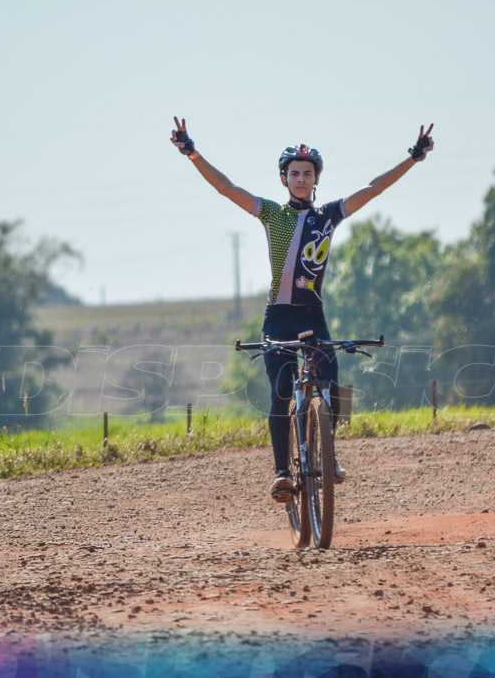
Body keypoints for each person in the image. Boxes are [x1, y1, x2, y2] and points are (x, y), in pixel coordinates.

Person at [170, 117, 434, 502]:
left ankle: (329, 452)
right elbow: (227, 188)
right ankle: (281, 473)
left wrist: (412, 158)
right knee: (280, 391)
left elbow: (372, 189)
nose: (300, 179)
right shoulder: (271, 215)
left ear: (316, 179)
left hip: (313, 316)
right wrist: (191, 151)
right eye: (293, 173)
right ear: (283, 179)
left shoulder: (327, 216)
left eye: (307, 174)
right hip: (278, 317)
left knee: (330, 378)